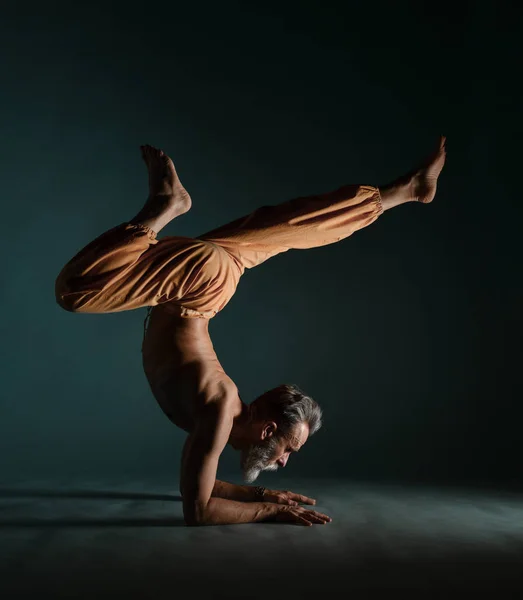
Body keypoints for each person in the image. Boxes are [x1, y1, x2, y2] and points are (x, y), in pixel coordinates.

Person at [55, 137, 447, 526]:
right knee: (76, 291)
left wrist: (262, 495)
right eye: (288, 450)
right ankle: (164, 207)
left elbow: (197, 489)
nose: (284, 461)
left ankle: (404, 190)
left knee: (292, 226)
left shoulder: (221, 413)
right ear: (268, 429)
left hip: (212, 276)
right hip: (198, 285)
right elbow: (199, 511)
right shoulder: (221, 409)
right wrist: (272, 511)